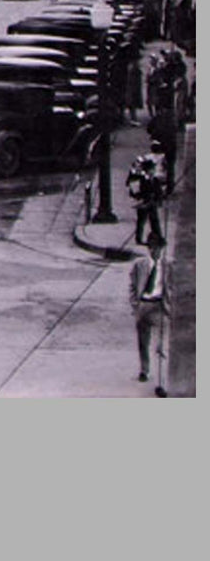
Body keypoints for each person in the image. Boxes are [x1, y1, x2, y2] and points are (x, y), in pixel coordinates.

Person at [128, 238, 168, 387]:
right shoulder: (140, 265)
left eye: (157, 248)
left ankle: (161, 377)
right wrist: (135, 304)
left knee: (161, 343)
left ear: (162, 249)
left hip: (158, 305)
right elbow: (132, 285)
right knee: (143, 341)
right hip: (144, 304)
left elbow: (170, 285)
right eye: (152, 248)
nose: (154, 251)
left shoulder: (166, 266)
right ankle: (144, 370)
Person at [126, 148, 166, 246]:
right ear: (147, 170)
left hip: (151, 203)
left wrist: (159, 198)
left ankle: (158, 237)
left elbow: (158, 191)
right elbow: (136, 191)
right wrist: (142, 199)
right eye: (152, 170)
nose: (153, 171)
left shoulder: (154, 180)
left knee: (154, 220)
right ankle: (138, 238)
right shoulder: (141, 180)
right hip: (143, 204)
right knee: (141, 221)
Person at [125, 56, 144, 124]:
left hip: (133, 89)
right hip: (133, 90)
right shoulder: (133, 71)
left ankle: (133, 118)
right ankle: (133, 118)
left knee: (133, 105)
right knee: (132, 104)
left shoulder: (134, 70)